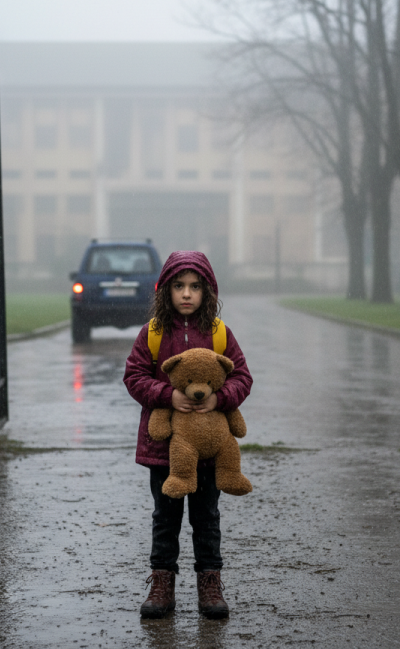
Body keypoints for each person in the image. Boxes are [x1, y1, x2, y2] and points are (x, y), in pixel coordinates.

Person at [123, 251, 253, 619]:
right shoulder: (152, 333)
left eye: (195, 287)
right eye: (178, 286)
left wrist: (220, 398)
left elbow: (242, 376)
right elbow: (134, 377)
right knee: (165, 517)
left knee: (206, 517)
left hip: (210, 449)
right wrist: (168, 394)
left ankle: (210, 583)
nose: (186, 294)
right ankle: (162, 583)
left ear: (207, 291)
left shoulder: (219, 333)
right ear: (165, 290)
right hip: (163, 447)